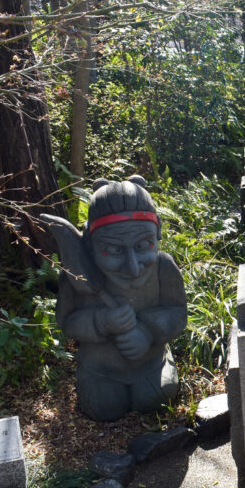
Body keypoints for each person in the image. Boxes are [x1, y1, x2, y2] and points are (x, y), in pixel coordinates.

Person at [54, 176, 188, 421]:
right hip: (101, 370)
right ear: (91, 245)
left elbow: (178, 312)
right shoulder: (76, 276)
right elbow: (66, 322)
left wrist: (147, 332)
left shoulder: (163, 267)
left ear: (157, 235)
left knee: (155, 399)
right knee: (103, 408)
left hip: (151, 364)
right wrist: (100, 322)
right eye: (113, 250)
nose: (133, 267)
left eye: (143, 245)